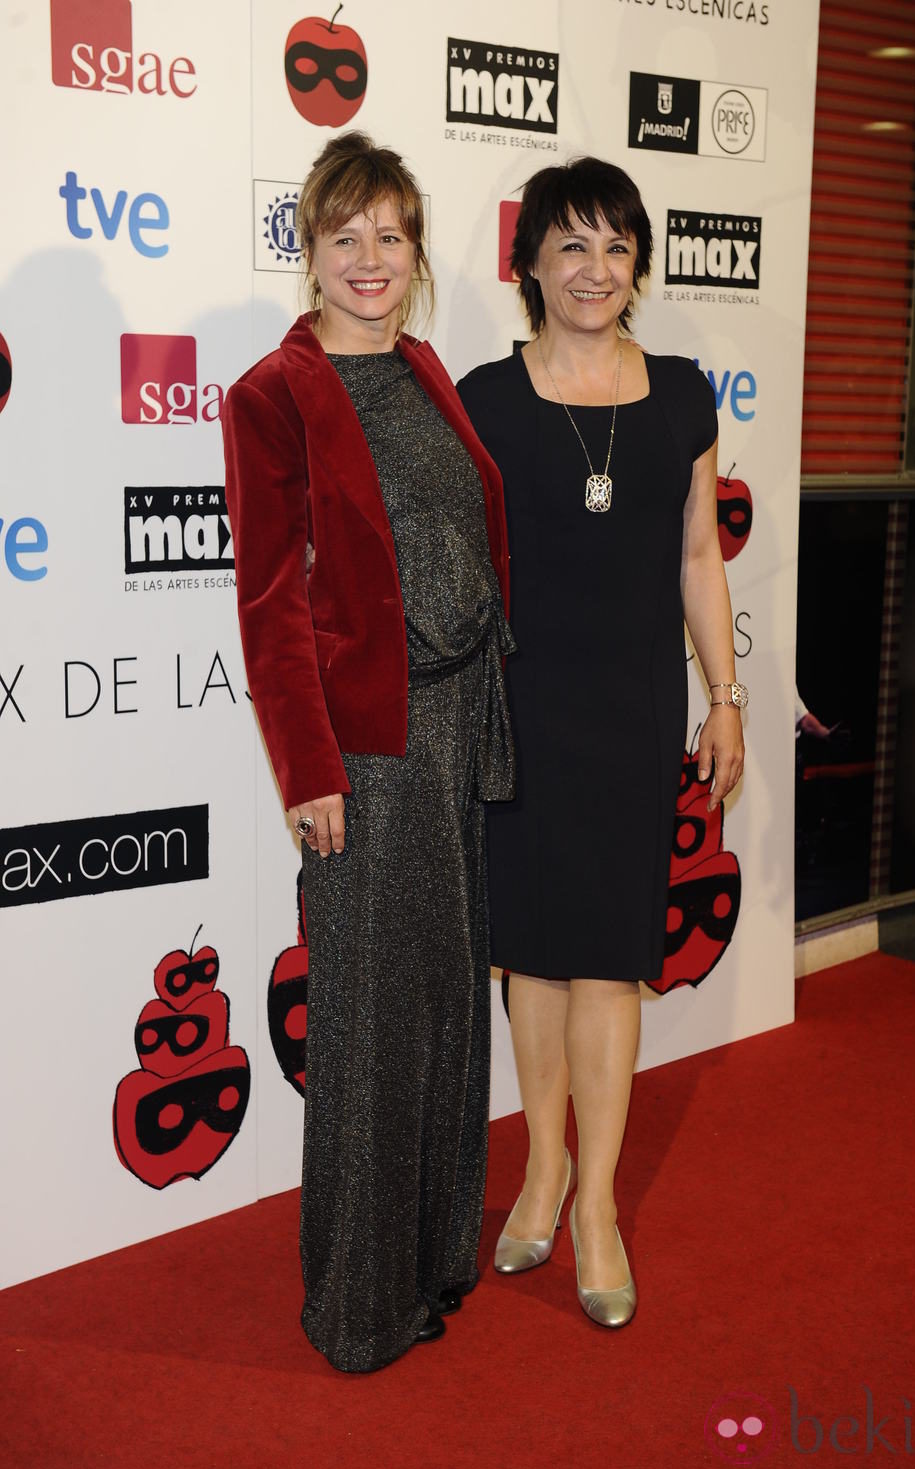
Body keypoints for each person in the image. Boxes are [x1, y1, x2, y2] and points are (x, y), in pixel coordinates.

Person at [222, 132, 514, 1373]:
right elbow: (268, 601)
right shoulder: (272, 395)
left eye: (390, 235)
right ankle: (359, 1302)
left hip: (457, 730)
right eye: (345, 237)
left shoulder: (428, 368)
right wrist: (312, 773)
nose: (371, 260)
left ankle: (434, 1254)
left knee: (445, 1004)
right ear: (310, 249)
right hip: (369, 751)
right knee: (367, 1022)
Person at [457, 157, 745, 1329]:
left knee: (609, 961)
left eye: (615, 247)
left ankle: (596, 1211)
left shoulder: (679, 394)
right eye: (569, 246)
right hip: (520, 711)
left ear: (638, 265)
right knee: (530, 956)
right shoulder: (482, 395)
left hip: (632, 713)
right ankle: (537, 1173)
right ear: (528, 263)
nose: (593, 270)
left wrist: (724, 696)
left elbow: (695, 557)